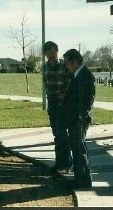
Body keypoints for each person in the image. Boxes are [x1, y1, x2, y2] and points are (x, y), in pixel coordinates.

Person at [63, 49, 95, 189]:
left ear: (74, 62)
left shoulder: (86, 76)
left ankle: (82, 181)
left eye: (67, 63)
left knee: (79, 150)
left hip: (79, 119)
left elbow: (88, 101)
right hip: (75, 119)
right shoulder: (78, 75)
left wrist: (80, 118)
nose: (66, 66)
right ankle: (81, 179)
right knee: (77, 149)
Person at [42, 41, 72, 175]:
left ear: (57, 51)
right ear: (46, 54)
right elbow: (45, 84)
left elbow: (71, 83)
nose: (51, 55)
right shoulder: (44, 67)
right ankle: (59, 162)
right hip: (52, 104)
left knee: (62, 134)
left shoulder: (65, 65)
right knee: (56, 135)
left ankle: (67, 163)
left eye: (53, 52)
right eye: (48, 53)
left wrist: (64, 95)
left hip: (63, 104)